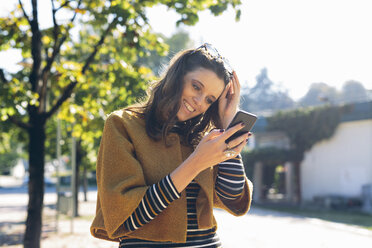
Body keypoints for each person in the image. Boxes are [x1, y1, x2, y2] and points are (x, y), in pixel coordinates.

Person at [90, 43, 253, 247]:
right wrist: (197, 162)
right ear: (177, 76)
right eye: (196, 87)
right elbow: (127, 217)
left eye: (210, 99)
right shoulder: (122, 124)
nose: (199, 101)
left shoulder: (202, 138)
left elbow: (232, 196)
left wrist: (227, 124)